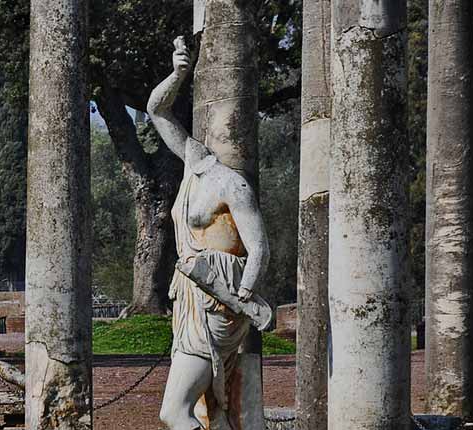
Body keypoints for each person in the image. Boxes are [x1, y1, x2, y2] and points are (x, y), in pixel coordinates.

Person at [147, 36, 271, 430]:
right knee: (208, 409)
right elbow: (156, 109)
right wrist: (179, 73)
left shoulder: (232, 185)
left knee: (174, 411)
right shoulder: (192, 166)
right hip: (190, 298)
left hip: (219, 302)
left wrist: (242, 297)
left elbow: (259, 249)